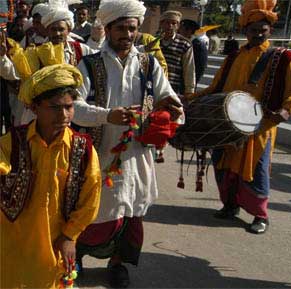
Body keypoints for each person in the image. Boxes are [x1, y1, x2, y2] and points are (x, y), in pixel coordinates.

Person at [72, 0, 183, 287]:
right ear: (107, 28)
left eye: (131, 28)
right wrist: (107, 115)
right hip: (98, 152)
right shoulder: (89, 63)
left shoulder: (149, 63)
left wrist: (168, 114)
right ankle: (76, 257)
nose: (127, 33)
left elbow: (169, 100)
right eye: (120, 28)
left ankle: (118, 265)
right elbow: (73, 107)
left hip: (136, 154)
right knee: (87, 209)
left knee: (132, 211)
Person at [188, 0, 291, 234]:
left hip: (260, 126)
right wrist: (189, 98)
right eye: (253, 30)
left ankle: (260, 215)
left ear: (270, 30)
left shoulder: (283, 57)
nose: (258, 34)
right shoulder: (233, 57)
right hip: (226, 124)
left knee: (255, 170)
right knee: (223, 166)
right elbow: (215, 88)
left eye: (263, 30)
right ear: (245, 31)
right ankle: (230, 205)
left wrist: (287, 110)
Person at [0, 63, 101, 289]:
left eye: (69, 107)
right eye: (55, 108)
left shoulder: (81, 148)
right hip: (13, 240)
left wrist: (69, 237)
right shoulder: (13, 142)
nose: (64, 115)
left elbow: (90, 199)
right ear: (35, 107)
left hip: (55, 243)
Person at [159, 10, 196, 97]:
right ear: (161, 24)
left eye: (174, 23)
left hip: (173, 88)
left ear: (178, 26)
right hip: (154, 85)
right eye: (167, 22)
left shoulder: (185, 44)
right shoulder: (154, 41)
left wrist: (189, 90)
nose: (170, 26)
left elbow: (189, 69)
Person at [178, 19, 208, 84]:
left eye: (180, 29)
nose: (178, 31)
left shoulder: (198, 45)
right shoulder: (182, 42)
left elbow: (199, 69)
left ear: (189, 31)